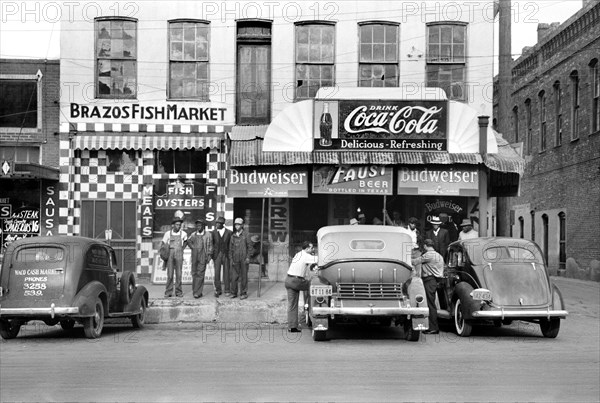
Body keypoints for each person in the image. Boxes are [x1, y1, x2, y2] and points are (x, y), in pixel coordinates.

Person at [412, 238, 444, 335]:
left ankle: (433, 328)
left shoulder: (428, 255)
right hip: (434, 280)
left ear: (425, 246)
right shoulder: (439, 255)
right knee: (431, 303)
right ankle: (431, 326)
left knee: (430, 304)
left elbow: (415, 262)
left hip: (429, 280)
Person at [285, 241, 318, 333]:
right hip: (296, 281)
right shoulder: (306, 256)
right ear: (307, 249)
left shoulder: (298, 254)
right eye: (311, 248)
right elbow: (318, 259)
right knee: (314, 285)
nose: (313, 249)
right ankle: (309, 308)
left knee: (292, 304)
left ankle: (292, 327)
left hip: (288, 280)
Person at [161, 216, 188, 298]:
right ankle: (168, 292)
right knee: (170, 274)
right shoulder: (167, 234)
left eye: (179, 225)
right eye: (177, 225)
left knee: (179, 274)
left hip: (179, 254)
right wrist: (165, 252)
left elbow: (186, 242)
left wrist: (182, 249)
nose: (178, 226)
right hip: (170, 254)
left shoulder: (183, 234)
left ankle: (178, 292)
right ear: (173, 225)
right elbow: (163, 244)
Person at [188, 219, 213, 298]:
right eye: (197, 226)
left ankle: (198, 292)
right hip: (195, 256)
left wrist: (209, 255)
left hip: (203, 255)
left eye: (200, 225)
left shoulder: (208, 234)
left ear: (203, 226)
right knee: (194, 273)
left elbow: (211, 246)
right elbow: (188, 241)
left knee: (200, 274)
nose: (198, 227)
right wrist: (193, 247)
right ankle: (195, 291)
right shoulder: (193, 234)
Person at [229, 217, 252, 300]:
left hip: (244, 259)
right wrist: (231, 259)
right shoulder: (233, 236)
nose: (237, 226)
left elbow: (250, 247)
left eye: (238, 224)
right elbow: (230, 249)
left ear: (242, 225)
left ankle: (243, 293)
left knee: (243, 277)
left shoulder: (246, 235)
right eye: (236, 224)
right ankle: (233, 293)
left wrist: (248, 257)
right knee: (234, 277)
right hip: (235, 259)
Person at [211, 216, 232, 298]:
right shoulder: (213, 233)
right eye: (216, 223)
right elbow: (212, 244)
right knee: (217, 273)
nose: (217, 225)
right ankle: (218, 290)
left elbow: (231, 245)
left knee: (226, 273)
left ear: (223, 224)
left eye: (218, 223)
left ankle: (227, 289)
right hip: (217, 255)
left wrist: (230, 255)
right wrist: (212, 255)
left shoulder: (229, 232)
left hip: (226, 254)